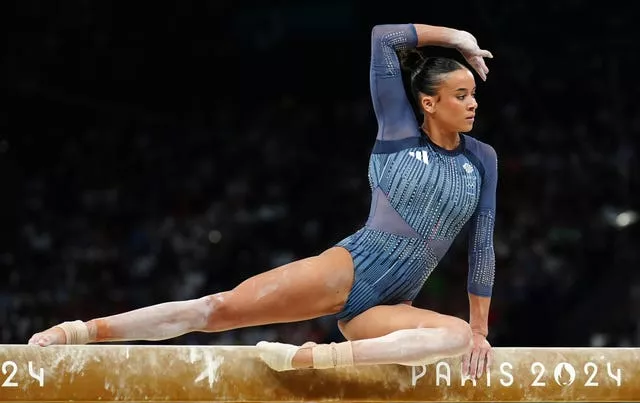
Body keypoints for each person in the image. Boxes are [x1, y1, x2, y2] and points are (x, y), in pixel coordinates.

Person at [29, 23, 497, 380]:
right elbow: (384, 38)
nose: (473, 103)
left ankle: (313, 357)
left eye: (474, 95)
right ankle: (82, 330)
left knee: (455, 337)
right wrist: (458, 38)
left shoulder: (482, 159)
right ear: (429, 103)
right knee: (215, 309)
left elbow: (482, 247)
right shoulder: (398, 131)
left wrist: (479, 330)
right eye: (461, 95)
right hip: (350, 268)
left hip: (389, 307)